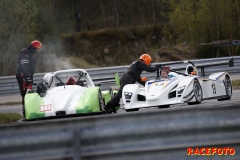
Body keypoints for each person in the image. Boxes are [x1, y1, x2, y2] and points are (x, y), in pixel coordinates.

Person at [16, 40, 42, 118]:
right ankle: (25, 112)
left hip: (28, 76)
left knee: (29, 93)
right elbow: (25, 66)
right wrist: (27, 77)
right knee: (25, 94)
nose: (37, 50)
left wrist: (30, 77)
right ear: (33, 47)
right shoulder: (25, 53)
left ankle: (29, 110)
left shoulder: (30, 54)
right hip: (23, 76)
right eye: (37, 48)